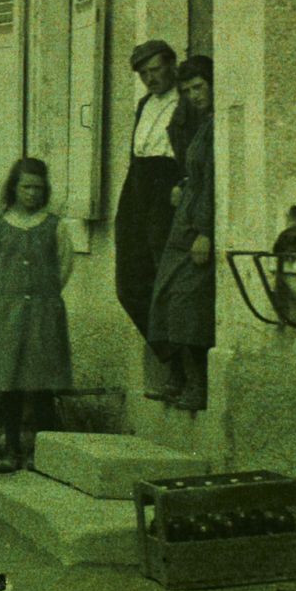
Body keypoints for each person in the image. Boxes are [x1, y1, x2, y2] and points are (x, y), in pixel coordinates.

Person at [0, 157, 77, 472]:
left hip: (44, 314)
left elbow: (64, 266)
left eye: (37, 187)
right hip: (8, 313)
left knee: (42, 383)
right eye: (25, 187)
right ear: (14, 188)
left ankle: (40, 454)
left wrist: (44, 295)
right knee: (10, 384)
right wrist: (8, 298)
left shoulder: (55, 226)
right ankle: (11, 451)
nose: (31, 194)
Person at [112, 39, 199, 399]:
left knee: (170, 282)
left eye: (156, 70)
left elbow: (193, 150)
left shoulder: (188, 104)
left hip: (169, 189)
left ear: (172, 65)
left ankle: (186, 373)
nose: (150, 78)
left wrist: (183, 185)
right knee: (130, 283)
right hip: (138, 188)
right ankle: (168, 358)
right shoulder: (144, 105)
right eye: (143, 73)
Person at [146, 57, 216, 411]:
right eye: (187, 90)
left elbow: (216, 183)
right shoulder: (200, 126)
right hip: (184, 219)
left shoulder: (219, 128)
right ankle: (179, 378)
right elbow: (196, 171)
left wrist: (206, 232)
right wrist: (184, 184)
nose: (193, 95)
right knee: (167, 297)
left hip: (199, 224)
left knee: (189, 304)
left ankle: (198, 386)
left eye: (199, 87)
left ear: (214, 85)